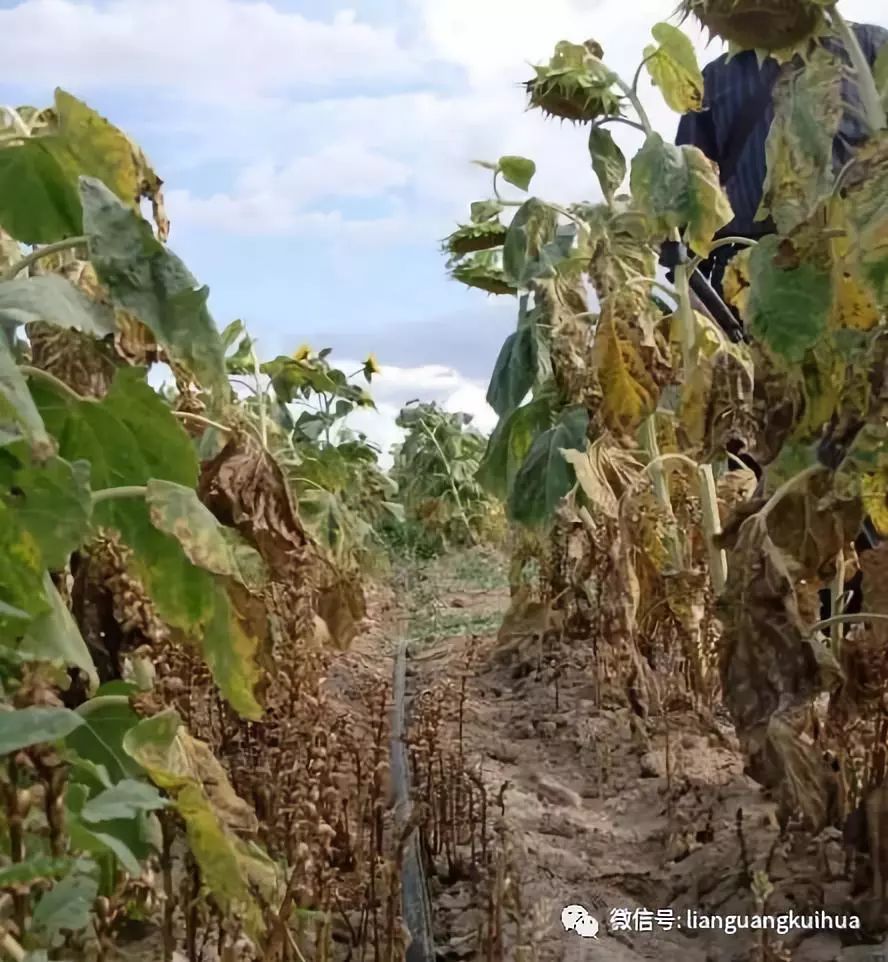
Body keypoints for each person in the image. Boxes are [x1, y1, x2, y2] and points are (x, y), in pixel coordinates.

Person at [670, 20, 888, 618]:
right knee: (795, 453)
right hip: (768, 296)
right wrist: (707, 304)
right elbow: (687, 208)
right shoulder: (714, 81)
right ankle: (821, 605)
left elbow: (684, 232)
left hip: (848, 289)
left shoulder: (869, 48)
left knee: (850, 445)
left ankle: (857, 605)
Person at [673, 19, 888, 303]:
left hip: (861, 254)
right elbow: (691, 197)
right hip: (754, 272)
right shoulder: (712, 80)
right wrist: (695, 300)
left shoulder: (865, 47)